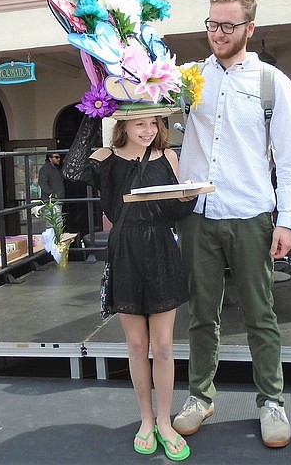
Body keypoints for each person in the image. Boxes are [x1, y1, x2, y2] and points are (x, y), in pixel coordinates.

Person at [175, 0, 291, 448]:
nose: (218, 33)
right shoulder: (187, 77)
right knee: (200, 314)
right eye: (212, 24)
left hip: (251, 212)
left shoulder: (273, 82)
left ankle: (271, 401)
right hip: (197, 212)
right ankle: (199, 396)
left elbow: (290, 159)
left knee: (260, 314)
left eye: (228, 25)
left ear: (250, 27)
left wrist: (287, 219)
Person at [64, 113, 195, 460]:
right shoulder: (107, 158)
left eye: (154, 123)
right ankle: (146, 419)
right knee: (137, 345)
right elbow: (72, 170)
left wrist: (188, 199)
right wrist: (92, 117)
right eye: (139, 124)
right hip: (125, 252)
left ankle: (165, 421)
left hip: (162, 251)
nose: (149, 130)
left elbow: (175, 211)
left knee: (164, 345)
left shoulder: (168, 157)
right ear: (123, 126)